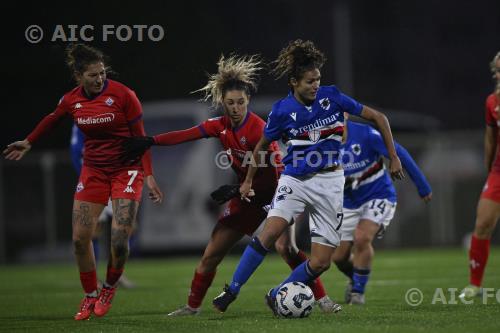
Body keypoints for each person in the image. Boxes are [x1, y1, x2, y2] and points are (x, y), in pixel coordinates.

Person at [122, 54, 338, 315]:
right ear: (222, 103)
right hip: (245, 197)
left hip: (275, 194)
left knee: (286, 247)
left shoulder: (258, 129)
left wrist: (283, 195)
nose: (236, 108)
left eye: (241, 102)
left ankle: (323, 299)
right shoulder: (219, 126)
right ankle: (192, 307)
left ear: (247, 101)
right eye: (230, 103)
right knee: (211, 254)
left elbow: (279, 165)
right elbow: (185, 135)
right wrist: (151, 141)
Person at [211, 39, 404, 315]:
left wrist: (393, 156)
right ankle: (232, 290)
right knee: (270, 232)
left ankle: (278, 294)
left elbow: (379, 117)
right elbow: (261, 147)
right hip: (295, 182)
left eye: (318, 80)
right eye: (310, 81)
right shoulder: (281, 111)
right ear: (294, 82)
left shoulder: (333, 97)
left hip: (330, 183)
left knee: (322, 261)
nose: (316, 85)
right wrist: (248, 180)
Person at [3, 43, 163, 320]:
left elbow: (142, 139)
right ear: (79, 77)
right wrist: (29, 141)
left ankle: (109, 288)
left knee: (119, 240)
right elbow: (52, 119)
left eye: (102, 73)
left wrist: (149, 176)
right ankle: (90, 295)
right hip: (94, 171)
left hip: (126, 170)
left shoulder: (124, 95)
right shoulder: (71, 100)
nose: (100, 79)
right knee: (79, 239)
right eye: (93, 75)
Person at [332, 118, 432, 305]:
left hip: (377, 195)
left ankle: (357, 293)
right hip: (347, 202)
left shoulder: (366, 134)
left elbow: (399, 152)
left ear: (345, 114)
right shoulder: (322, 141)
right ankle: (356, 277)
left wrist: (422, 185)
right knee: (338, 257)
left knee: (362, 237)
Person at [70, 124, 136, 289]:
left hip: (117, 179)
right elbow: (75, 151)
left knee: (128, 229)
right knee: (94, 231)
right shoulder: (84, 122)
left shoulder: (113, 121)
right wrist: (86, 179)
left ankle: (116, 274)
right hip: (96, 180)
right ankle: (96, 278)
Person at [459, 51, 500, 299]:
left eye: (499, 69)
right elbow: (490, 138)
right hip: (498, 172)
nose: (495, 74)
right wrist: (489, 170)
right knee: (482, 223)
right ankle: (475, 284)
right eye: (495, 69)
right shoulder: (492, 102)